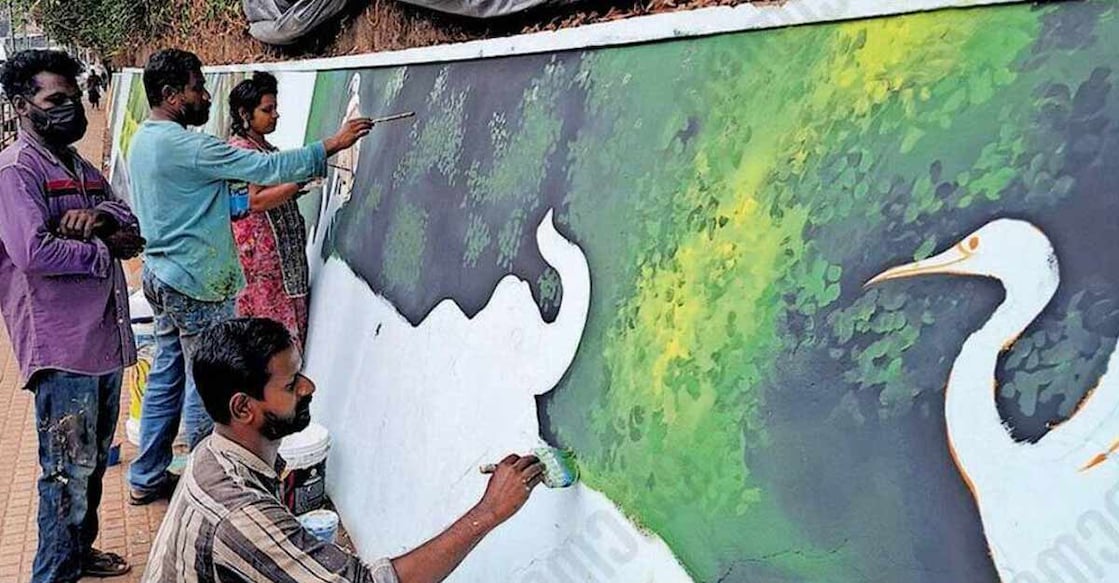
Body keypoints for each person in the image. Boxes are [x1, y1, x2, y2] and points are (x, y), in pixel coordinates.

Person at [125, 48, 373, 506]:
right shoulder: (187, 146)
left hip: (162, 275)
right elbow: (266, 170)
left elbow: (214, 204)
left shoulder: (145, 140)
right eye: (197, 89)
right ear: (170, 94)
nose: (204, 97)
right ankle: (209, 489)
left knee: (167, 374)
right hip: (194, 283)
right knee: (209, 384)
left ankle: (146, 474)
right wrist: (332, 145)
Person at [143, 318, 547, 583]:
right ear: (243, 408)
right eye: (290, 385)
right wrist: (489, 512)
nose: (308, 387)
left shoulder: (212, 453)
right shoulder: (240, 515)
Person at [0, 49, 145, 582]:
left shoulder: (79, 169)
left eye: (72, 97)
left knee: (88, 466)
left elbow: (128, 221)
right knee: (65, 473)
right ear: (21, 106)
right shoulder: (16, 172)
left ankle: (78, 554)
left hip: (103, 342)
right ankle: (54, 573)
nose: (70, 108)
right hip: (63, 352)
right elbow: (33, 253)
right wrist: (102, 251)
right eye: (54, 100)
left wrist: (101, 219)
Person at [227, 72, 312, 349]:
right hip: (263, 262)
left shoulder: (264, 148)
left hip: (280, 261)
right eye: (267, 109)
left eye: (275, 108)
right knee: (270, 338)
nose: (275, 115)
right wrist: (297, 182)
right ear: (244, 114)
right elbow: (256, 200)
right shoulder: (241, 152)